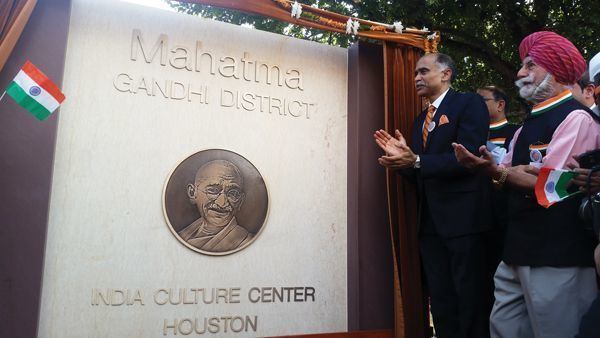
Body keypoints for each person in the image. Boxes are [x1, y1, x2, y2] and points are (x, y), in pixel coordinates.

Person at [453, 31, 600, 338]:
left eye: (531, 65)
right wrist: (506, 173)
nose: (521, 73)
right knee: (504, 329)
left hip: (559, 257)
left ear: (557, 70)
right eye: (523, 66)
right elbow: (509, 173)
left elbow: (553, 185)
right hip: (516, 253)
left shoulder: (578, 119)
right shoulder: (523, 129)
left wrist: (502, 173)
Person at [374, 53, 492, 338]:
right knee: (441, 302)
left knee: (472, 300)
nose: (416, 78)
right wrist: (400, 162)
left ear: (446, 74)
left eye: (423, 71)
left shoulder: (468, 103)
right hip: (430, 227)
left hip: (465, 224)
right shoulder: (418, 121)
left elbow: (467, 158)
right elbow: (420, 172)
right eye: (415, 73)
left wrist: (415, 160)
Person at [477, 85, 520, 298]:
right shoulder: (472, 133)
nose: (475, 105)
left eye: (482, 100)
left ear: (500, 104)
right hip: (477, 214)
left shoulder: (516, 132)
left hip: (505, 214)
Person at [179, 160, 253, 252]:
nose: (222, 203)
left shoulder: (244, 242)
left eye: (233, 193)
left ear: (240, 201)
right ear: (193, 192)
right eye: (213, 190)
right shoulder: (184, 234)